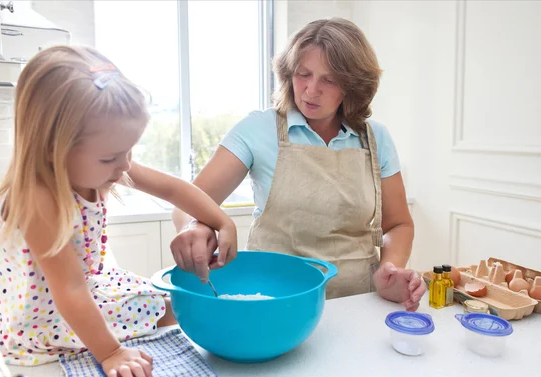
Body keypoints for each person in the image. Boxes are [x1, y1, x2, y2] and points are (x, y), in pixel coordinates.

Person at [0, 46, 237, 377]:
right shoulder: (38, 199)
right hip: (42, 317)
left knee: (172, 305)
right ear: (56, 148)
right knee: (175, 311)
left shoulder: (105, 161)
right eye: (112, 157)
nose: (126, 165)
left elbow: (174, 189)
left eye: (130, 151)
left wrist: (222, 222)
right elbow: (68, 290)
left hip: (86, 288)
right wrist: (111, 353)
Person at [171, 18, 425, 311]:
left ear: (352, 86)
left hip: (357, 303)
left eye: (328, 80)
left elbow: (398, 223)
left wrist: (390, 268)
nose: (310, 90)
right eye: (303, 74)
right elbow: (186, 203)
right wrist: (193, 225)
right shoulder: (258, 129)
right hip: (275, 302)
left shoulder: (376, 138)